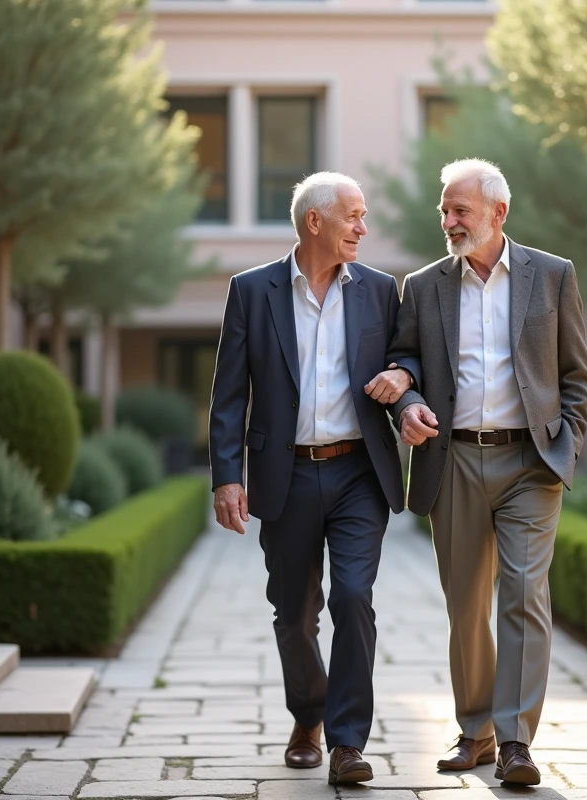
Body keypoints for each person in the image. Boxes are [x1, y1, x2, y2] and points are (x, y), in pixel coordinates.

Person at [382, 159, 587, 786]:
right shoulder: (422, 286)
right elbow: (403, 360)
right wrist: (405, 402)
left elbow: (576, 374)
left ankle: (515, 742)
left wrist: (567, 445)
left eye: (460, 211)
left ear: (498, 213)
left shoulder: (552, 275)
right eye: (444, 210)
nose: (448, 221)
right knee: (466, 603)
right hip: (454, 460)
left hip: (531, 460)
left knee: (525, 595)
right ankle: (474, 732)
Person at [208, 171, 413, 786]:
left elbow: (409, 355)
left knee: (353, 597)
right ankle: (308, 718)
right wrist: (226, 476)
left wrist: (402, 377)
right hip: (286, 472)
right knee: (294, 612)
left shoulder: (380, 289)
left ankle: (348, 743)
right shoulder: (252, 290)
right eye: (352, 216)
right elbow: (228, 393)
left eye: (365, 216)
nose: (363, 227)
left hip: (358, 470)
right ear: (314, 222)